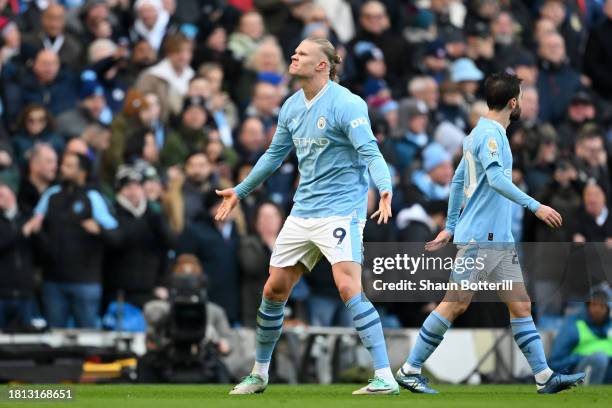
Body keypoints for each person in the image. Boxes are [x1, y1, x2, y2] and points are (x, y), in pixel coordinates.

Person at [216, 37, 398, 395]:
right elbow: (273, 156)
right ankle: (260, 373)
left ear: (322, 65)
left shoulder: (348, 104)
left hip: (341, 210)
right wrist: (240, 190)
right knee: (274, 289)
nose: (293, 55)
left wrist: (385, 186)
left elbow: (371, 151)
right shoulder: (291, 107)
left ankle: (384, 376)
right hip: (303, 210)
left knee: (348, 286)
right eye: (294, 50)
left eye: (301, 53)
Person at [395, 72, 585, 394]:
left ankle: (543, 376)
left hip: (497, 241)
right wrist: (535, 206)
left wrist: (450, 226)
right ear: (513, 102)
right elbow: (496, 181)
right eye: (521, 98)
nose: (521, 103)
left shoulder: (476, 134)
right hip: (481, 240)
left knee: (520, 305)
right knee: (455, 304)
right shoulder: (493, 137)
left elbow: (457, 182)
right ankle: (410, 369)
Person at [550, 289, 612, 384]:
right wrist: (580, 358)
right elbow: (555, 363)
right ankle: (590, 396)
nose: (597, 310)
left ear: (608, 309)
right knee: (599, 358)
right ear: (587, 306)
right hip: (580, 373)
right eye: (594, 304)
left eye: (602, 306)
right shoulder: (574, 325)